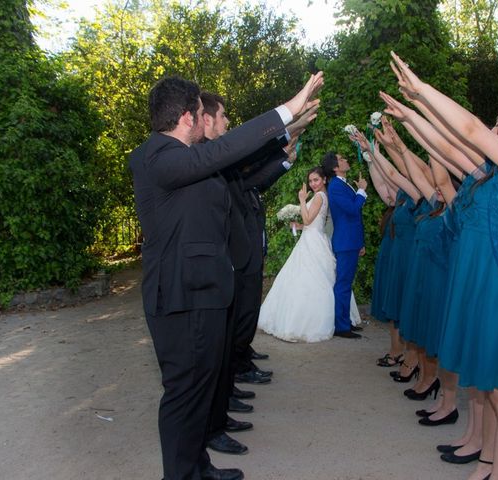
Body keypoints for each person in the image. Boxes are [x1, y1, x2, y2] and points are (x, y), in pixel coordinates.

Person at [129, 72, 323, 480]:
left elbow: (234, 158)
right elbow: (222, 152)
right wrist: (286, 108)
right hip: (183, 297)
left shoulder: (188, 159)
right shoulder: (158, 155)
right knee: (184, 394)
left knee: (201, 390)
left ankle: (198, 467)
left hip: (203, 292)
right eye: (202, 114)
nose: (207, 123)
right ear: (186, 117)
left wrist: (287, 131)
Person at [387, 51, 498, 480]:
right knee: (490, 389)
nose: (493, 128)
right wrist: (413, 112)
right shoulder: (494, 174)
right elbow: (448, 144)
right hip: (481, 288)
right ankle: (486, 464)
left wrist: (423, 88)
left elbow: (469, 129)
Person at [258, 167, 362, 342]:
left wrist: (301, 200)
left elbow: (307, 219)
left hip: (313, 242)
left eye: (316, 180)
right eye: (311, 180)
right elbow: (312, 222)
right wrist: (297, 226)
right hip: (313, 236)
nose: (313, 184)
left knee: (308, 280)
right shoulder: (322, 196)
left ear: (324, 180)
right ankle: (340, 319)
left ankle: (308, 323)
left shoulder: (320, 196)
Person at [321, 152, 368, 338]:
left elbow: (355, 217)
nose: (346, 160)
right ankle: (341, 327)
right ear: (334, 167)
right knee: (342, 284)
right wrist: (362, 191)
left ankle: (345, 321)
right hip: (345, 242)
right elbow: (352, 209)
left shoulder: (341, 184)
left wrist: (360, 242)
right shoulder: (335, 186)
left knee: (346, 284)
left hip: (351, 241)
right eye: (341, 159)